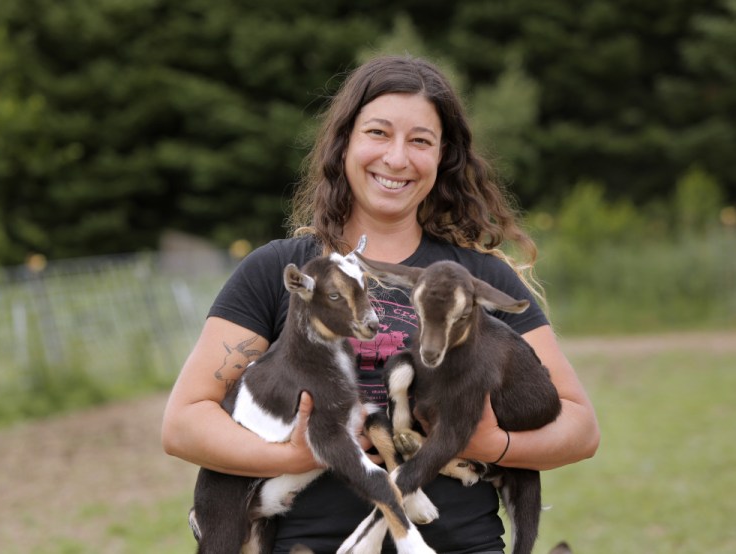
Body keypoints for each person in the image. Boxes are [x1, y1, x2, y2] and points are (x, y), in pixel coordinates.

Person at [161, 54, 600, 553]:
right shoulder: (280, 271)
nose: (396, 158)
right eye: (378, 133)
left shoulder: (478, 277)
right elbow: (184, 424)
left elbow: (580, 429)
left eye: (420, 141)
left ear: (442, 157)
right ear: (345, 142)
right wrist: (292, 456)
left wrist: (492, 445)